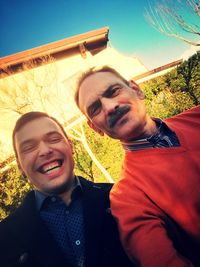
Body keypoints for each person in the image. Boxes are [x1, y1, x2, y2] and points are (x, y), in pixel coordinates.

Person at [74, 66, 200, 267]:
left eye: (113, 91)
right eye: (96, 108)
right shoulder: (126, 198)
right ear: (95, 128)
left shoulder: (196, 117)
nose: (109, 107)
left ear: (136, 89)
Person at [0, 111, 134, 267]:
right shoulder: (4, 238)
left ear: (70, 147)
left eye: (54, 139)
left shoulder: (121, 198)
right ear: (20, 166)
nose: (44, 151)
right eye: (29, 148)